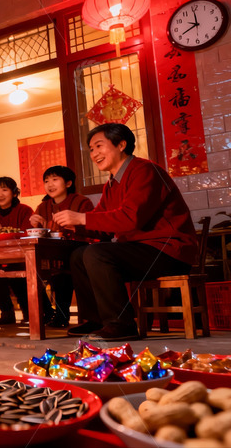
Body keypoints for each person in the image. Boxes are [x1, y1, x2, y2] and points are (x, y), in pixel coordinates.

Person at [53, 123, 198, 342]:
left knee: (96, 254)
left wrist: (82, 218)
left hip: (167, 250)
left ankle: (121, 324)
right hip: (140, 250)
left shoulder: (145, 170)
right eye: (91, 149)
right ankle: (96, 320)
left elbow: (131, 218)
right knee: (78, 255)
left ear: (121, 144)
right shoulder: (111, 184)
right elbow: (104, 226)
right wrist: (76, 226)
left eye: (99, 146)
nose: (94, 154)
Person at [0, 176, 53, 325]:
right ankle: (7, 313)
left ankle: (40, 312)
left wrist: (4, 231)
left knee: (20, 274)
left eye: (5, 190)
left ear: (14, 193)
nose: (0, 194)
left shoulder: (25, 210)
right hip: (0, 259)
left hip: (23, 258)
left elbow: (28, 233)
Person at [29, 166, 95, 328]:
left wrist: (75, 225)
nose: (50, 184)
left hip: (77, 250)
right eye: (46, 181)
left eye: (54, 179)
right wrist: (36, 225)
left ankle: (65, 315)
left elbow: (94, 230)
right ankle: (44, 314)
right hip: (51, 253)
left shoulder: (81, 202)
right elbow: (38, 233)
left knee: (64, 271)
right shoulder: (43, 206)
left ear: (68, 183)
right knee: (31, 269)